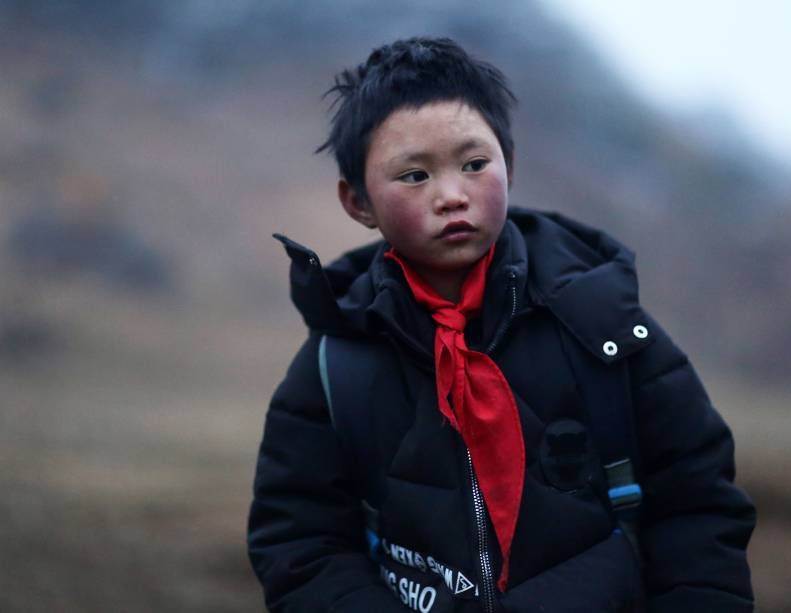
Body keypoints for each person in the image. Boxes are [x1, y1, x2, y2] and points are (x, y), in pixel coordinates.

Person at [247, 37, 755, 613]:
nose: (452, 195)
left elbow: (698, 504)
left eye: (474, 164)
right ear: (358, 202)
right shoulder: (337, 363)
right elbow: (300, 542)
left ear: (509, 166)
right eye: (414, 176)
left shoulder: (601, 326)